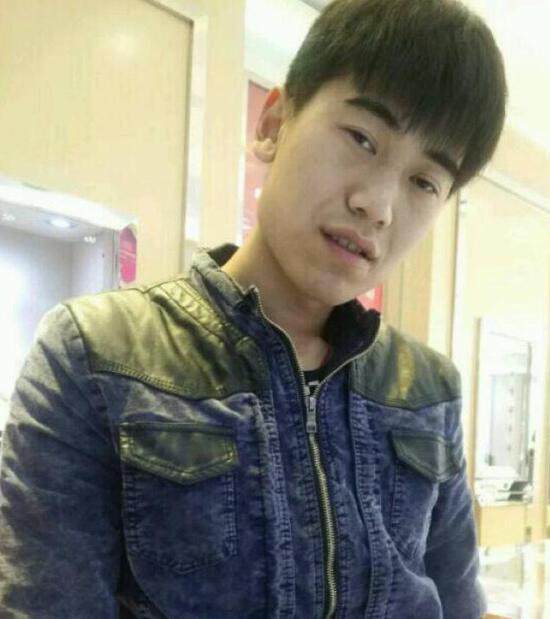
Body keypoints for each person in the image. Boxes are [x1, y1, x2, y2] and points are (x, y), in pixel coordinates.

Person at [0, 0, 507, 617]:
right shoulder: (94, 356)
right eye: (362, 139)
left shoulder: (427, 390)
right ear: (274, 123)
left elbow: (458, 603)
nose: (376, 205)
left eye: (424, 182)